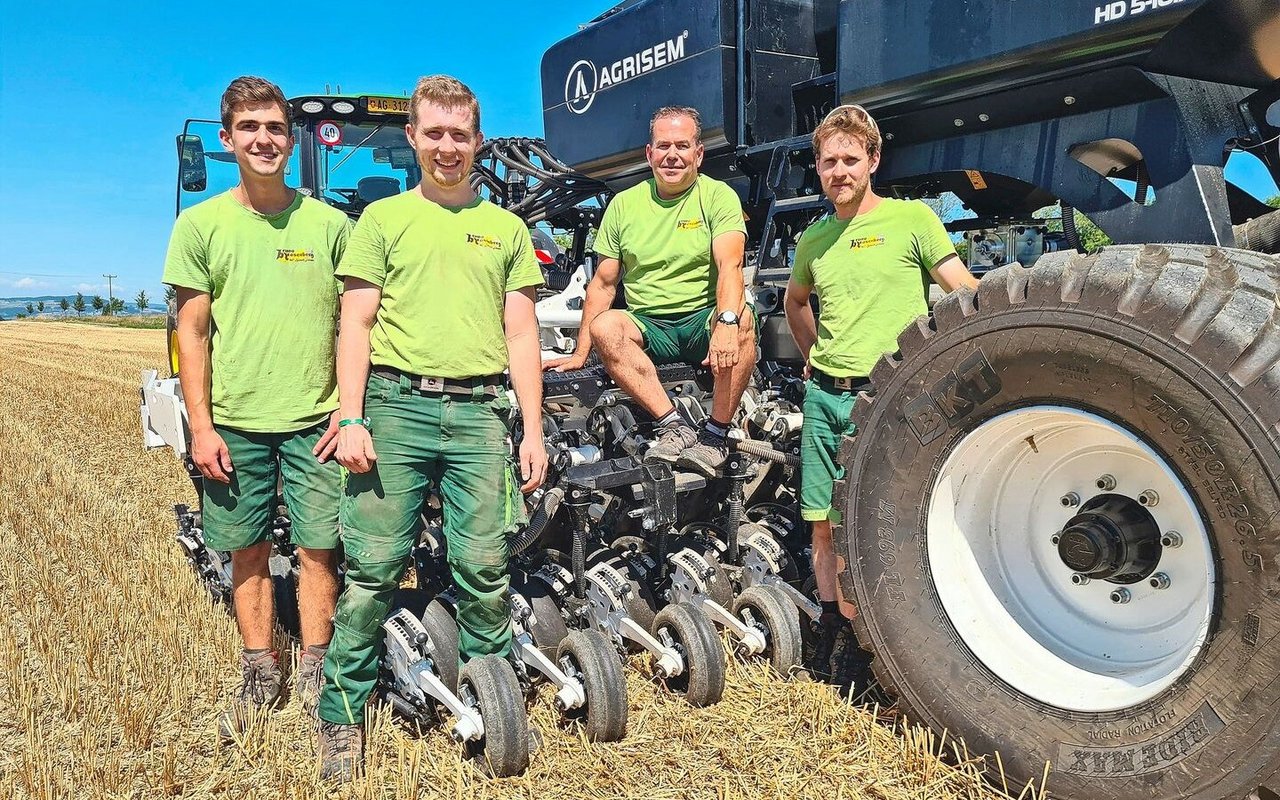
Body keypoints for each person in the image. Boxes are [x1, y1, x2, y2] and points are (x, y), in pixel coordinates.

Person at [316, 75, 548, 781]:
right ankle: (341, 716)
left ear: (478, 141)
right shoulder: (382, 222)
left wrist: (531, 429)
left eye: (461, 135)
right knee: (375, 571)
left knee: (483, 568)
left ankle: (493, 695)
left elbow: (520, 335)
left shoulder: (507, 230)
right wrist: (351, 415)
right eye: (435, 134)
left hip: (480, 414)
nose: (448, 147)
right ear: (414, 138)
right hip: (396, 407)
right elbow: (355, 322)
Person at [163, 76, 349, 737]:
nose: (264, 139)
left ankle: (317, 670)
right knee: (246, 549)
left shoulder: (330, 226)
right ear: (227, 139)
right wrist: (202, 425)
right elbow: (192, 332)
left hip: (314, 421)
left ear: (291, 137)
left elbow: (353, 326)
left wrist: (347, 409)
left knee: (319, 549)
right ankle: (260, 670)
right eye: (250, 128)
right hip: (236, 421)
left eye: (274, 127)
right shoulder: (200, 225)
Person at [783, 104, 978, 676]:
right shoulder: (814, 240)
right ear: (817, 169)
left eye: (849, 159)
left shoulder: (911, 220)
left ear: (872, 160)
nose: (838, 170)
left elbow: (961, 289)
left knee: (883, 521)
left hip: (891, 398)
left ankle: (889, 637)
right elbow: (796, 303)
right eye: (827, 162)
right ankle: (834, 631)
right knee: (821, 521)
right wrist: (812, 356)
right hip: (825, 396)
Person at [544, 106, 755, 477]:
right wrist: (581, 352)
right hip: (650, 325)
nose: (672, 155)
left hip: (700, 320)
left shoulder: (718, 197)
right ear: (649, 153)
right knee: (606, 327)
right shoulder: (624, 205)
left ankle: (716, 436)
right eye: (663, 146)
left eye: (682, 146)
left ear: (698, 153)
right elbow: (604, 284)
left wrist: (725, 322)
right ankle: (673, 426)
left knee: (743, 320)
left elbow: (730, 266)